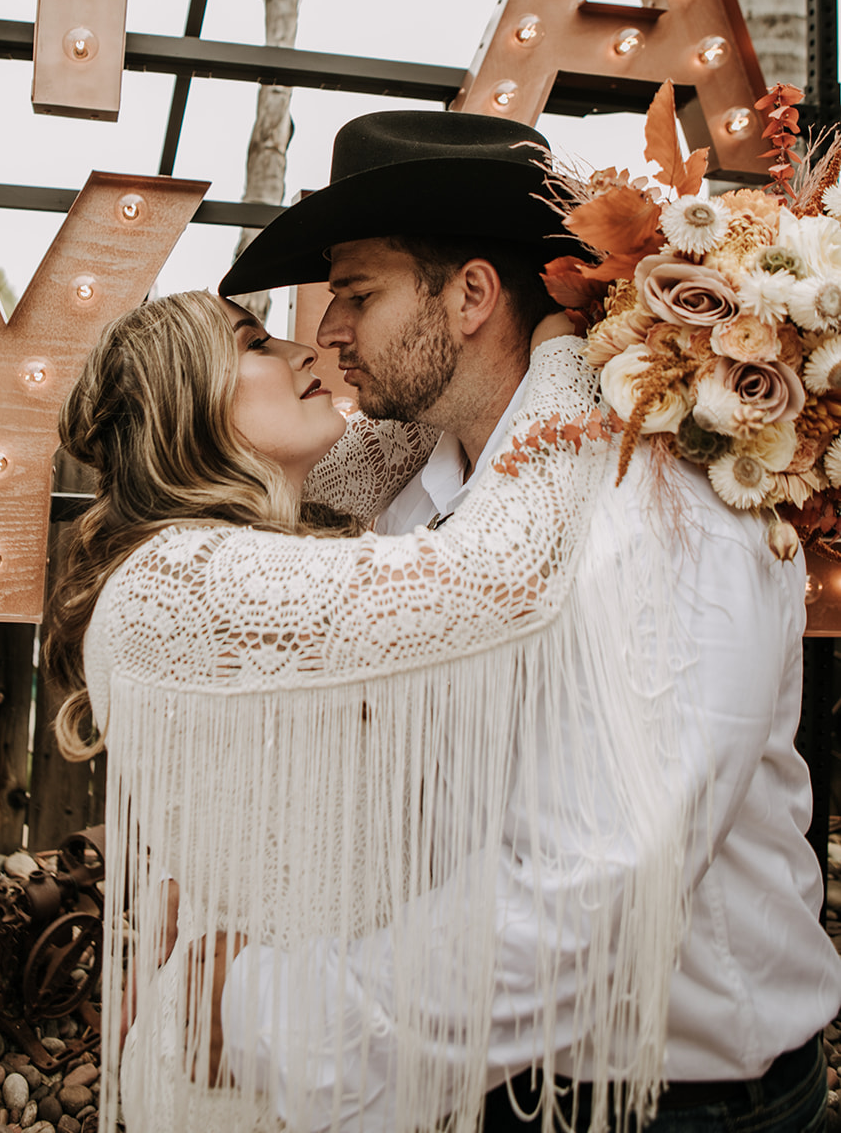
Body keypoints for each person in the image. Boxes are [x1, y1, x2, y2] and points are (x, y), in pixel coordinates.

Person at [43, 117, 687, 1133]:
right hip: (254, 1050)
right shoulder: (179, 579)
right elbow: (500, 568)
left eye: (349, 300)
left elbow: (426, 410)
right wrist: (566, 352)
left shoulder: (269, 526)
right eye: (254, 345)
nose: (311, 345)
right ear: (189, 411)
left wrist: (589, 315)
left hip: (351, 1032)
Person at [214, 109, 841, 1133]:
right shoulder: (425, 481)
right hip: (491, 1073)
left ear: (466, 295)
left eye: (354, 295)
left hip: (681, 1103)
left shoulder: (654, 506)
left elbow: (591, 883)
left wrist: (274, 1013)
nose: (324, 334)